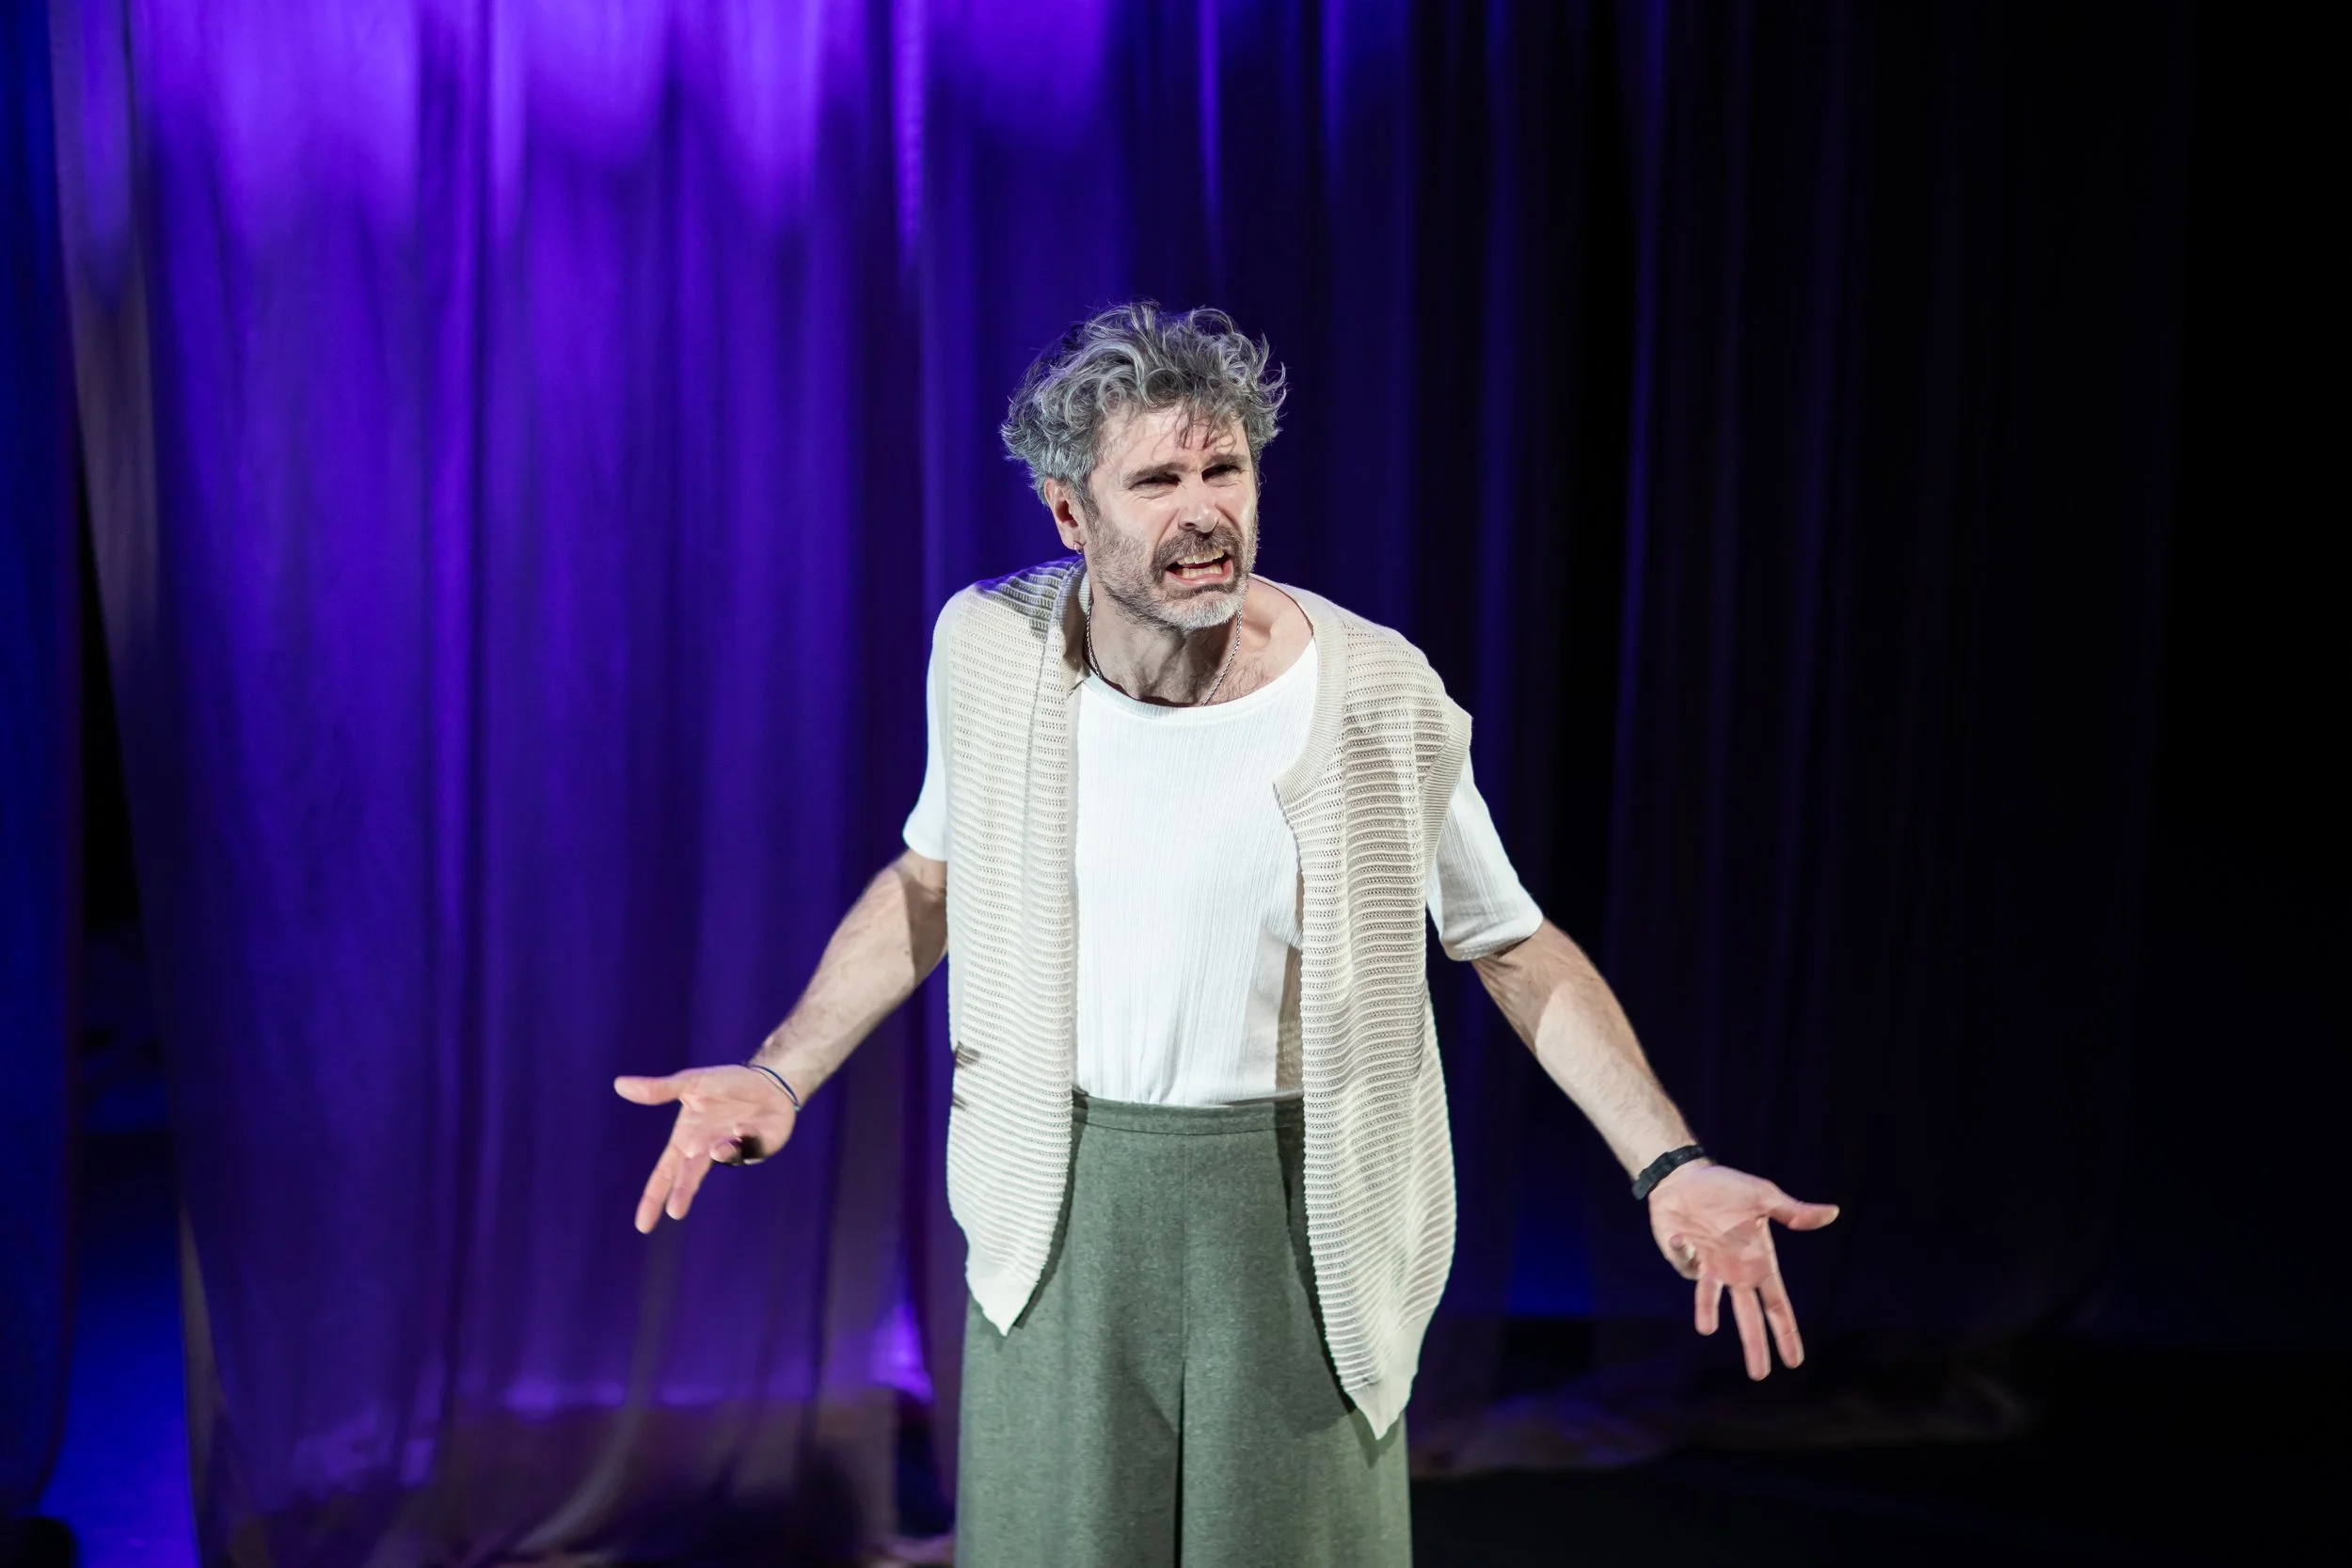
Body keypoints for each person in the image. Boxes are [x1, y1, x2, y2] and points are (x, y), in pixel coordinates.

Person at [614, 302, 1838, 1567]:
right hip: (1059, 1209)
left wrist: (1669, 1161)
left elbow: (1511, 943)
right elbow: (933, 879)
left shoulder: (1378, 693)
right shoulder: (990, 651)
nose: (1207, 510)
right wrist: (781, 1067)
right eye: (1158, 478)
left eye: (1226, 468)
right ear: (1069, 514)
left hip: (1303, 1219)